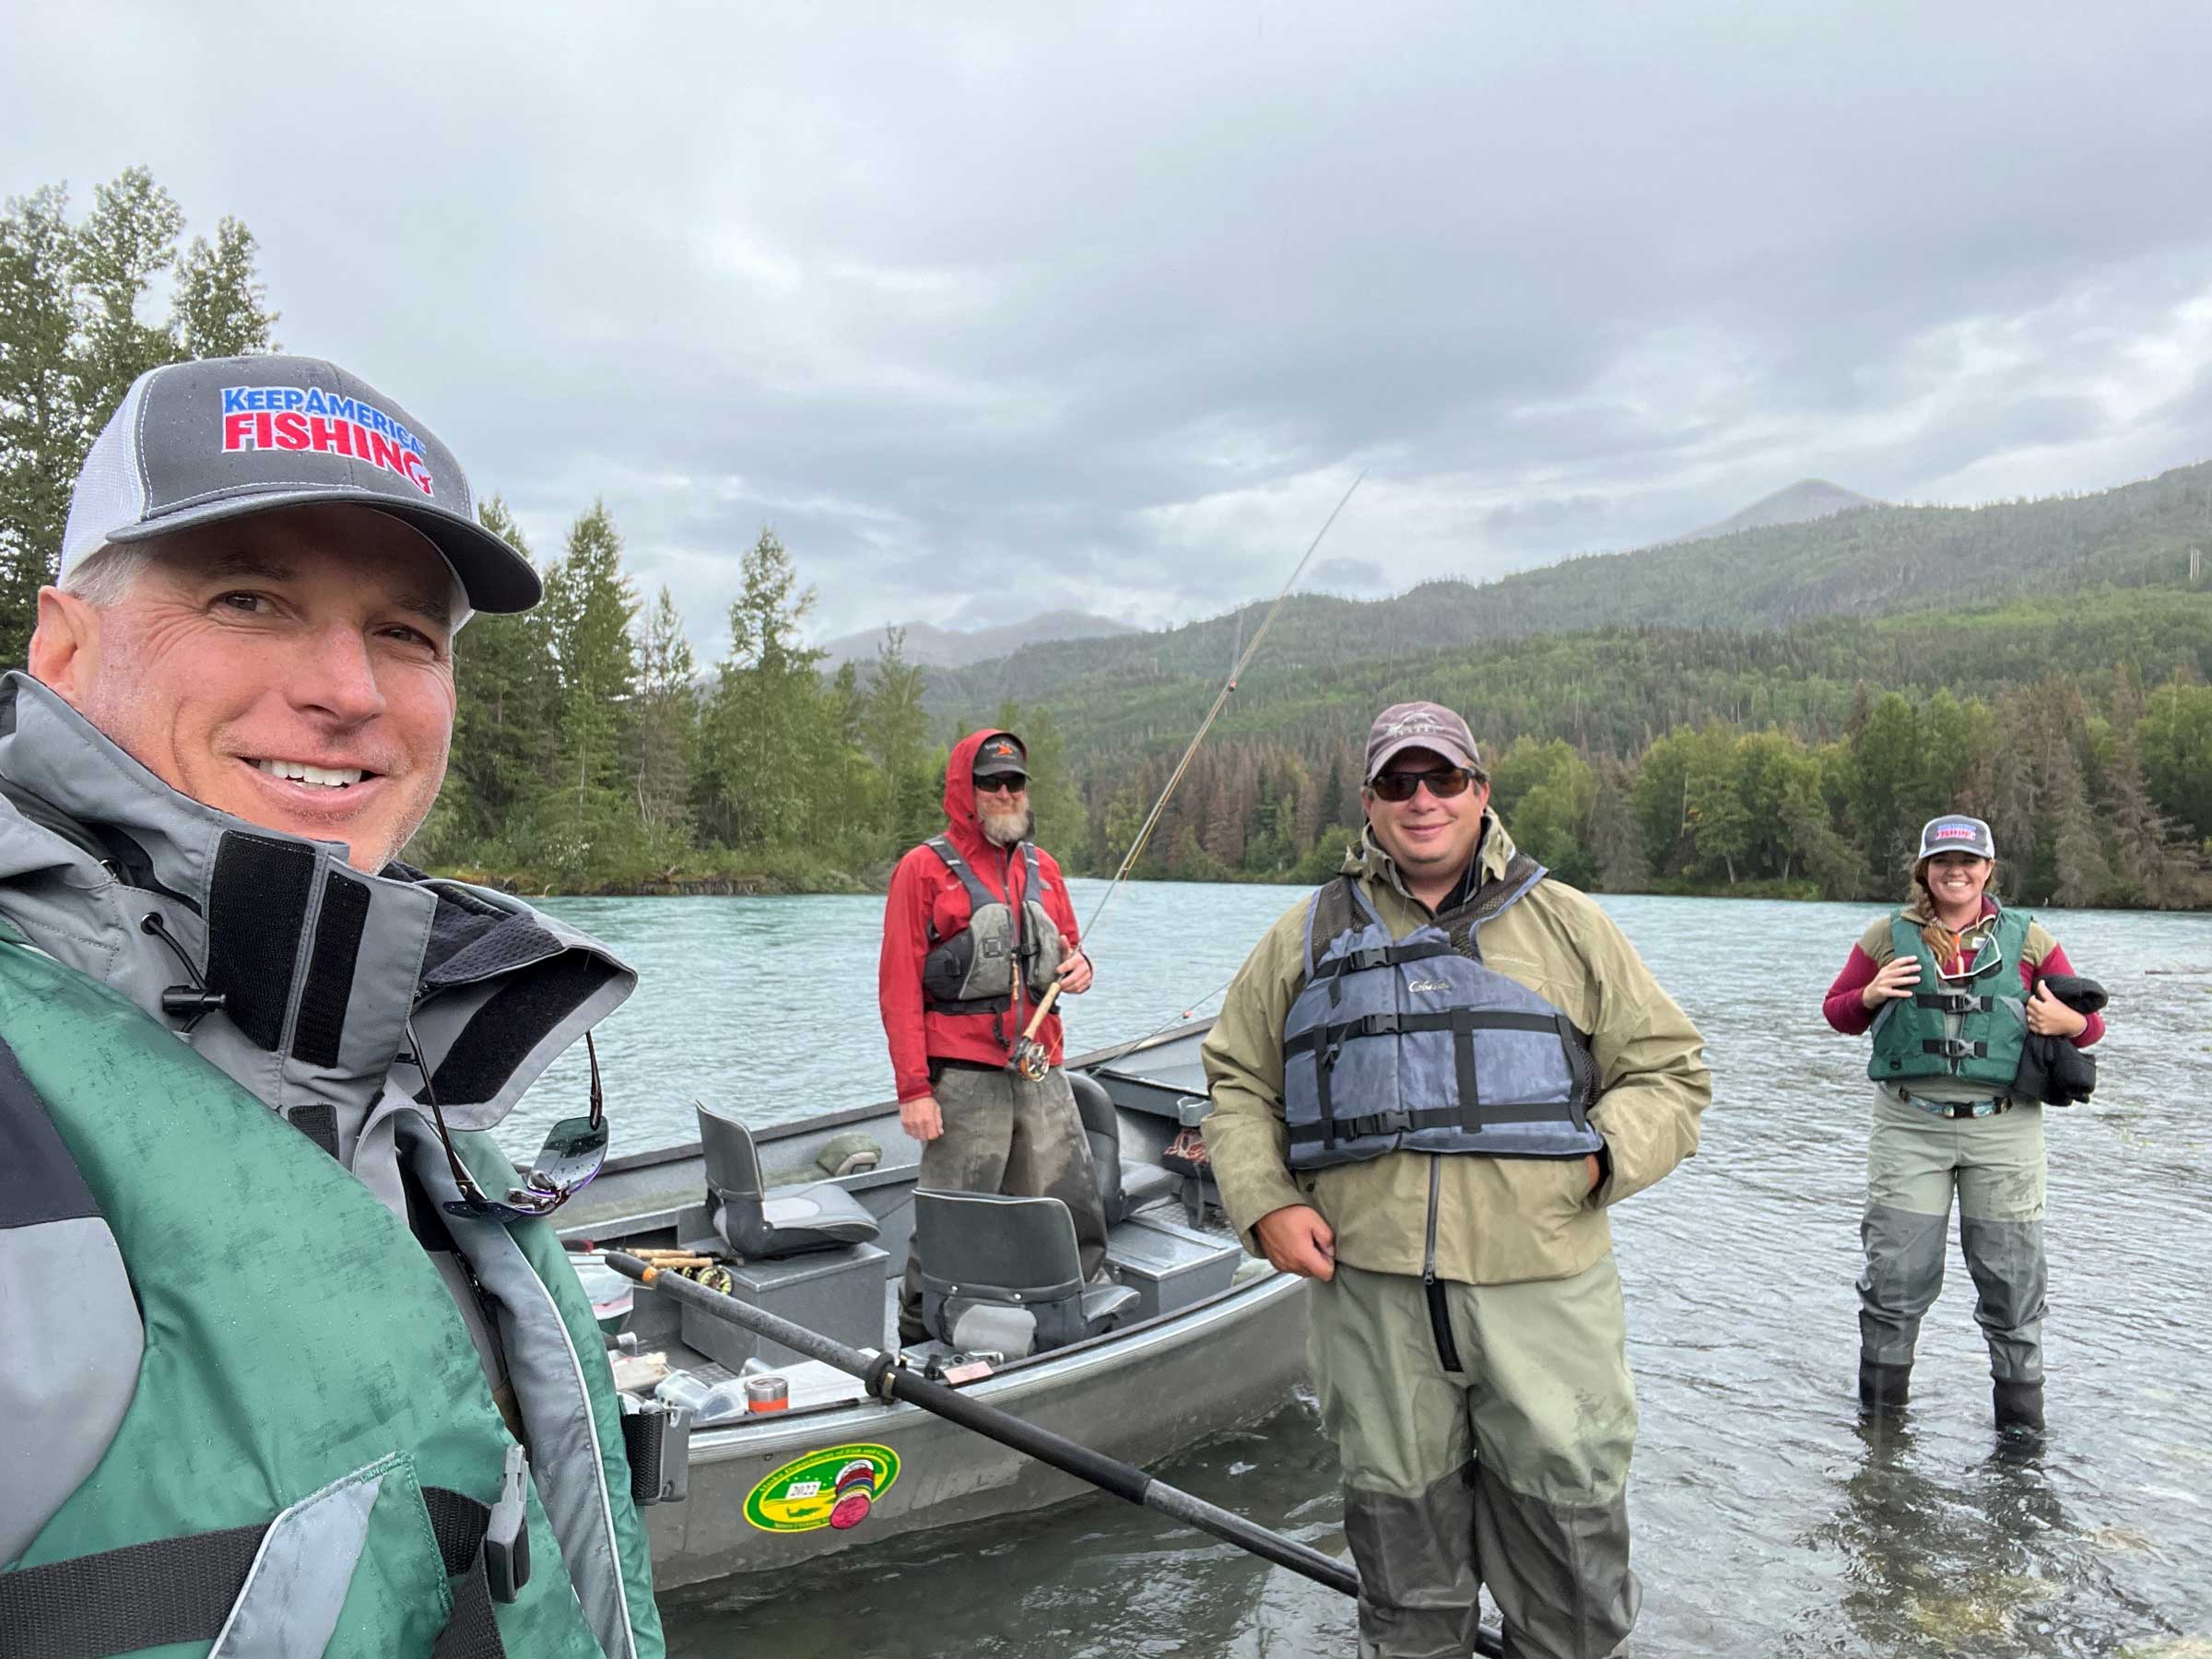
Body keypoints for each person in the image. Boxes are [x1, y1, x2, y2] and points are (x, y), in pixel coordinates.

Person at [0, 356, 665, 1658]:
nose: (351, 691)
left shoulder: (396, 1057)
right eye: (249, 598)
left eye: (406, 634)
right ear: (65, 649)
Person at [1202, 700, 1710, 1659]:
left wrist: (1606, 1156)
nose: (1422, 800)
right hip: (1371, 1300)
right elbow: (1236, 1082)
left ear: (1481, 791)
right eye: (1399, 782)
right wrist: (1263, 1199)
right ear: (1369, 802)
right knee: (1405, 1589)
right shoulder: (1304, 935)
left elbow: (1672, 1075)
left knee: (1572, 1585)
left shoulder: (1570, 926)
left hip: (1546, 1297)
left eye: (1443, 779)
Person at [1821, 814, 2103, 1434]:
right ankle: (1880, 1435)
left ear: (1988, 869)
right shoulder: (1885, 937)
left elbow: (2090, 1027)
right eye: (1943, 862)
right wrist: (1868, 996)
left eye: (1968, 862)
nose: (1956, 871)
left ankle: (2022, 1445)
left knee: (2012, 1285)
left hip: (2004, 1129)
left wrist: (2070, 1025)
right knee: (1896, 1278)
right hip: (1908, 1126)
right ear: (1925, 870)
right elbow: (1837, 1013)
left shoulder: (2029, 939)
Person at [878, 727, 1105, 1344]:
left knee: (1069, 1204)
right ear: (965, 789)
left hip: (1041, 1071)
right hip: (964, 1081)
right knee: (952, 1218)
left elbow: (1070, 951)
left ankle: (1069, 1323)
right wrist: (914, 1091)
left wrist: (1082, 968)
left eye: (1014, 782)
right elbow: (898, 988)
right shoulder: (921, 871)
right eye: (991, 782)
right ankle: (921, 1334)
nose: (1005, 793)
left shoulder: (1046, 869)